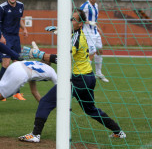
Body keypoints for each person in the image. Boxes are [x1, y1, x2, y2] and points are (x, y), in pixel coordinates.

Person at [18, 10, 126, 143]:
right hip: (89, 78)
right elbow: (70, 37)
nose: (70, 21)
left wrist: (38, 54)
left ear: (80, 24)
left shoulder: (77, 38)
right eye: (70, 19)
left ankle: (35, 135)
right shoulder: (76, 34)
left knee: (46, 101)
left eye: (74, 20)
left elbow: (63, 59)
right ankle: (118, 132)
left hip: (78, 79)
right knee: (91, 109)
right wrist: (58, 30)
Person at [0, 0, 28, 100]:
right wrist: (1, 36)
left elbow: (19, 19)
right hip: (5, 38)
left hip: (16, 38)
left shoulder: (21, 6)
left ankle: (16, 93)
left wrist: (24, 29)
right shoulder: (1, 8)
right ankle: (1, 92)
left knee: (17, 64)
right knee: (5, 64)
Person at [80, 0, 109, 82]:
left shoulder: (96, 6)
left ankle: (99, 73)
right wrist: (88, 22)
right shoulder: (84, 6)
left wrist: (97, 27)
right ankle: (85, 74)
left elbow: (94, 19)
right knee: (91, 52)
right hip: (88, 33)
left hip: (95, 32)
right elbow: (77, 18)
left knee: (100, 50)